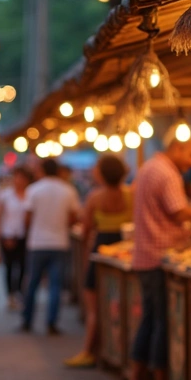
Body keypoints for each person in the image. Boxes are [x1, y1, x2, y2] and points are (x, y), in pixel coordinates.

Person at [122, 130, 191, 380]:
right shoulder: (167, 172)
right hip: (160, 257)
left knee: (149, 320)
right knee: (161, 322)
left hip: (144, 256)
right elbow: (179, 211)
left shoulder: (148, 167)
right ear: (178, 148)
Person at [65, 155, 131, 368]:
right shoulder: (131, 195)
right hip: (123, 253)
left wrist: (86, 260)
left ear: (102, 173)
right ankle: (120, 352)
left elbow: (85, 232)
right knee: (123, 306)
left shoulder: (94, 197)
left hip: (99, 253)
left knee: (95, 308)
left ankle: (89, 350)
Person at [20, 159, 81, 335]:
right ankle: (51, 322)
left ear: (42, 171)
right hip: (59, 243)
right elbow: (73, 217)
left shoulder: (33, 190)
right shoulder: (68, 190)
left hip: (37, 243)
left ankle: (27, 320)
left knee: (32, 283)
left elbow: (27, 218)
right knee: (55, 285)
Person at [0, 167, 32, 311]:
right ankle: (11, 294)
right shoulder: (5, 195)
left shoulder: (30, 195)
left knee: (23, 266)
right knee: (10, 267)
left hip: (25, 236)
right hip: (8, 235)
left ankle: (20, 292)